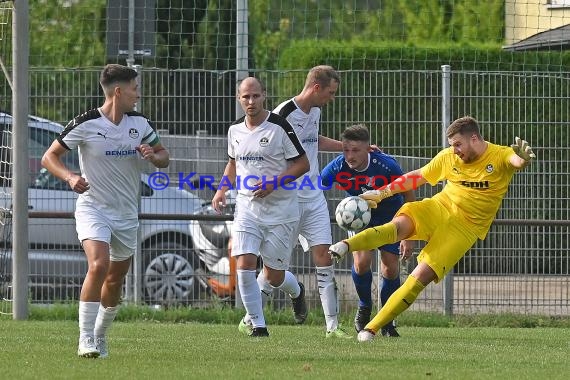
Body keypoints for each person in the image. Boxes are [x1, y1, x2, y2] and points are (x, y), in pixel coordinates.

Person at [328, 116, 536, 342]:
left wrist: (522, 159)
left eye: (458, 144)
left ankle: (371, 328)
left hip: (465, 228)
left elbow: (514, 160)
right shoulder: (448, 157)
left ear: (474, 138)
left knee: (419, 277)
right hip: (440, 206)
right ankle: (346, 245)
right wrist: (381, 193)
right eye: (451, 146)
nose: (454, 150)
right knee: (396, 228)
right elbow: (415, 177)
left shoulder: (499, 155)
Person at [41, 64, 170, 358]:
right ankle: (84, 337)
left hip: (126, 214)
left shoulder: (140, 124)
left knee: (114, 279)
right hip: (93, 208)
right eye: (135, 89)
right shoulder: (86, 123)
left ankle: (99, 336)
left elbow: (164, 156)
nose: (138, 95)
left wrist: (154, 156)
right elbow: (50, 157)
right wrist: (70, 177)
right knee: (98, 265)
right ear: (118, 91)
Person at [211, 76, 310, 337]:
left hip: (280, 211)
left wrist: (274, 184)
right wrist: (222, 189)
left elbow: (303, 164)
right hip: (247, 209)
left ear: (264, 95)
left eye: (255, 96)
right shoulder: (234, 130)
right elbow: (233, 164)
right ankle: (258, 325)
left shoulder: (279, 126)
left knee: (274, 277)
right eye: (246, 97)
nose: (251, 101)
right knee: (244, 263)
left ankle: (296, 291)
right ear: (238, 98)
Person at [268, 65, 351, 338]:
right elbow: (270, 155)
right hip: (288, 200)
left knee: (324, 258)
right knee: (274, 272)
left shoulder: (315, 111)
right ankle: (257, 313)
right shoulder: (283, 114)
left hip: (314, 198)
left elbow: (314, 141)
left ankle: (333, 328)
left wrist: (348, 148)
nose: (332, 98)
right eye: (331, 92)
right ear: (317, 88)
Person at [321, 124, 415, 337]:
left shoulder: (386, 165)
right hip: (359, 218)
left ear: (368, 150)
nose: (350, 156)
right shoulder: (338, 167)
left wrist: (409, 236)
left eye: (355, 150)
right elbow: (317, 185)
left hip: (390, 216)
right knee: (361, 263)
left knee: (390, 268)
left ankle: (387, 318)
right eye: (346, 150)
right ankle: (364, 306)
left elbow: (409, 193)